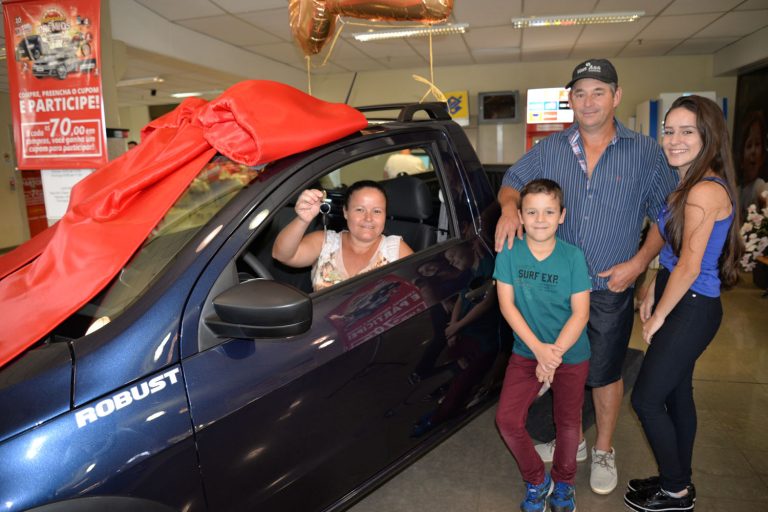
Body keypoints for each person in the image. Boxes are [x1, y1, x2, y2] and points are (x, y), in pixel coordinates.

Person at [495, 58, 679, 495]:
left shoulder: (646, 153)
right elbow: (512, 182)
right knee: (566, 370)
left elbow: (667, 216)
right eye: (580, 93)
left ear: (616, 96)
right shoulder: (550, 149)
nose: (589, 101)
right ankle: (572, 440)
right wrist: (508, 207)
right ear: (570, 100)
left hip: (611, 286)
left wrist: (639, 264)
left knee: (605, 373)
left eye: (599, 92)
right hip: (556, 289)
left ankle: (604, 449)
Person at [625, 95, 742, 512]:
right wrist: (651, 285)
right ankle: (676, 479)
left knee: (645, 399)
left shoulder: (703, 191)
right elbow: (674, 253)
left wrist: (658, 315)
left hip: (692, 305)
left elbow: (691, 266)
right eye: (669, 131)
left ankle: (675, 491)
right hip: (680, 295)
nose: (674, 140)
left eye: (686, 131)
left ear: (708, 136)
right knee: (676, 394)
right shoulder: (688, 183)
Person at [494, 179, 591, 512]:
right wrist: (538, 350)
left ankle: (564, 484)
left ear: (561, 216)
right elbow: (507, 306)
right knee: (507, 420)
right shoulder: (509, 253)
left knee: (567, 423)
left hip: (571, 353)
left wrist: (552, 357)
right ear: (520, 216)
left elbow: (581, 313)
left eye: (549, 212)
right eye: (532, 212)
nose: (540, 219)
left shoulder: (573, 257)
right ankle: (537, 480)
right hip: (527, 352)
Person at [272, 180, 413, 291]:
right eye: (360, 210)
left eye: (377, 211)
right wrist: (303, 219)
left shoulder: (395, 249)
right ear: (346, 212)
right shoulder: (325, 242)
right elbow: (282, 255)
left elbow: (419, 291)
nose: (368, 218)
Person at [736, 110, 768, 213]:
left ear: (762, 157)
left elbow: (765, 192)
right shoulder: (737, 191)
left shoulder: (759, 186)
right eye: (749, 145)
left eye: (757, 144)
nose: (753, 151)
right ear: (741, 159)